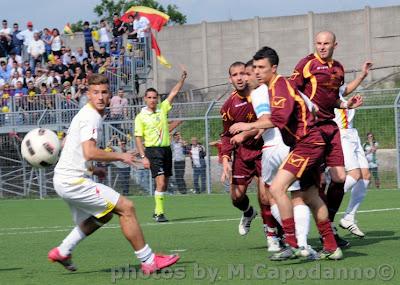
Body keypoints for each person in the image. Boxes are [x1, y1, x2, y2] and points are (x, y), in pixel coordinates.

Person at [229, 47, 360, 260]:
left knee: (277, 189)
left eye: (262, 67)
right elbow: (314, 108)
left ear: (274, 68)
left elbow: (277, 120)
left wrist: (246, 125)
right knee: (310, 195)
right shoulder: (285, 85)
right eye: (255, 68)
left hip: (307, 144)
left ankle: (292, 243)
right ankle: (330, 246)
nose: (258, 72)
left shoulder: (278, 86)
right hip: (309, 142)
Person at [49, 74, 179, 274]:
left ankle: (63, 250)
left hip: (65, 179)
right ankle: (149, 261)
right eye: (95, 93)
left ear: (109, 95)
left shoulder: (88, 114)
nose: (100, 97)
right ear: (88, 95)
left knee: (104, 215)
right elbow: (89, 152)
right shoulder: (90, 116)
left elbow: (72, 149)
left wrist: (92, 169)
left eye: (104, 92)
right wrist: (121, 156)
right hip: (72, 182)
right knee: (127, 207)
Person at [289, 30, 371, 248]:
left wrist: (347, 104)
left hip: (330, 128)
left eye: (326, 43)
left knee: (340, 178)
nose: (322, 46)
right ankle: (288, 231)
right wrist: (304, 111)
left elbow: (335, 99)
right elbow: (291, 91)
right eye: (319, 43)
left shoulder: (338, 68)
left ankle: (330, 225)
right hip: (311, 129)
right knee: (313, 183)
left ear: (336, 44)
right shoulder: (306, 64)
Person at [220, 61, 279, 247]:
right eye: (234, 74)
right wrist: (225, 159)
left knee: (265, 196)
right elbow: (226, 135)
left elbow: (269, 121)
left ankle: (271, 233)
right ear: (230, 79)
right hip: (243, 154)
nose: (239, 77)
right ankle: (248, 212)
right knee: (236, 197)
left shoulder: (261, 94)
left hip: (264, 150)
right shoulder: (228, 106)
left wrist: (246, 132)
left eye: (242, 73)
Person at [135, 68, 187, 223]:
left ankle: (157, 210)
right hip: (152, 151)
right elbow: (138, 138)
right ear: (145, 99)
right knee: (161, 181)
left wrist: (182, 79)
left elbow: (173, 93)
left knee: (163, 184)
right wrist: (143, 156)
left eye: (154, 97)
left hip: (166, 150)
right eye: (149, 97)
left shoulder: (162, 108)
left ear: (157, 99)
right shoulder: (140, 117)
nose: (152, 100)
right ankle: (159, 213)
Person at [332, 90, 372, 238]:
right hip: (341, 135)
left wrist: (362, 74)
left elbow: (348, 88)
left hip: (352, 133)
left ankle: (349, 217)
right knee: (354, 175)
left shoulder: (340, 89)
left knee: (365, 176)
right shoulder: (327, 93)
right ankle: (326, 200)